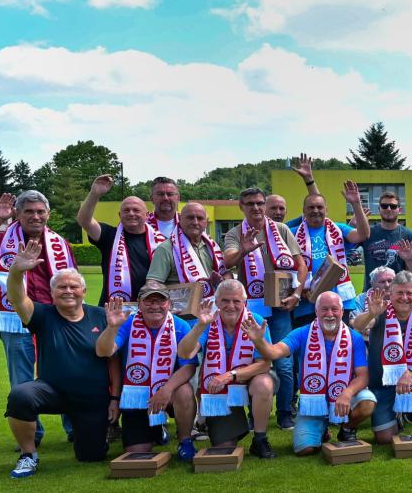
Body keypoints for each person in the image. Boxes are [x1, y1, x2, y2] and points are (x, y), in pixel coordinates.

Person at [0, 189, 77, 446]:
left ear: (48, 214)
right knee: (21, 380)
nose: (35, 216)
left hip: (55, 319)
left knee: (67, 373)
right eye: (29, 211)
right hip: (15, 319)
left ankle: (74, 428)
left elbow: (72, 281)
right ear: (17, 214)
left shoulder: (59, 243)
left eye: (40, 211)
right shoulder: (3, 238)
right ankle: (31, 435)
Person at [0, 240, 113, 477]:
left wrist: (115, 398)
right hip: (52, 391)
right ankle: (28, 455)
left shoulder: (102, 315)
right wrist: (17, 271)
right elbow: (17, 298)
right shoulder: (43, 314)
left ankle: (96, 434)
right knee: (21, 395)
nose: (68, 291)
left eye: (74, 286)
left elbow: (114, 360)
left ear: (84, 291)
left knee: (92, 456)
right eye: (61, 287)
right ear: (52, 293)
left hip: (91, 398)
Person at [223, 187, 308, 430]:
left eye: (260, 203)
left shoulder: (280, 229)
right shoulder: (234, 233)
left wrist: (297, 293)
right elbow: (227, 261)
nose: (256, 208)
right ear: (241, 206)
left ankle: (284, 414)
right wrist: (244, 249)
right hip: (250, 309)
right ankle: (254, 414)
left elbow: (300, 264)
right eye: (250, 203)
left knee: (284, 363)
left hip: (280, 308)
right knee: (250, 361)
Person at [248, 292, 375, 455]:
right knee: (304, 449)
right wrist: (259, 341)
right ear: (316, 312)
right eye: (324, 309)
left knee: (367, 402)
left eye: (334, 309)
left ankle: (347, 429)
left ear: (342, 311)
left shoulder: (354, 337)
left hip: (344, 398)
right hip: (314, 402)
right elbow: (274, 352)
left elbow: (363, 375)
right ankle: (322, 429)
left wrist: (347, 393)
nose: (330, 314)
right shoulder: (302, 333)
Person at [96, 282, 198, 457]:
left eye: (160, 301)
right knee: (136, 453)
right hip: (137, 393)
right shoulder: (127, 323)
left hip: (169, 392)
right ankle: (157, 431)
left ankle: (185, 441)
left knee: (185, 391)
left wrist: (166, 389)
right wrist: (112, 328)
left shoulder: (180, 326)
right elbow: (103, 351)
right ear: (139, 304)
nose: (155, 306)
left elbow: (188, 366)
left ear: (169, 304)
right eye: (149, 301)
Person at [177, 280, 277, 456]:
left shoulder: (256, 320)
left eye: (236, 301)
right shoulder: (208, 322)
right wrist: (199, 326)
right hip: (219, 387)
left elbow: (265, 364)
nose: (231, 306)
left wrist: (231, 375)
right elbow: (185, 353)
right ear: (216, 302)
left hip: (248, 378)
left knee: (264, 383)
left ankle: (260, 439)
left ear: (244, 302)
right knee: (224, 447)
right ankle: (233, 426)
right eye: (225, 301)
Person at [361, 270, 412, 444]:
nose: (404, 298)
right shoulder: (381, 311)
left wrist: (411, 372)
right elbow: (358, 325)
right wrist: (370, 314)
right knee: (385, 439)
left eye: (409, 293)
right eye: (399, 292)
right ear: (390, 294)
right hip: (382, 384)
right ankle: (398, 414)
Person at [290, 179, 370, 326]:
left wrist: (356, 204)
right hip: (306, 304)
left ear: (326, 210)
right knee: (309, 340)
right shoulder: (292, 233)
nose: (315, 210)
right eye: (311, 207)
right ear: (304, 211)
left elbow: (363, 235)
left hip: (339, 301)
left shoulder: (338, 229)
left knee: (340, 339)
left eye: (319, 207)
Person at [77, 175, 164, 304]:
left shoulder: (161, 241)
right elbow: (84, 221)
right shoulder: (108, 235)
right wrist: (94, 193)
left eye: (136, 210)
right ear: (120, 215)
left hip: (150, 307)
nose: (131, 213)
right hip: (114, 308)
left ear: (146, 215)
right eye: (126, 210)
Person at [145, 201, 225, 295]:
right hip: (179, 303)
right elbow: (153, 283)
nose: (195, 222)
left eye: (200, 218)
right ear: (180, 219)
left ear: (206, 222)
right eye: (190, 218)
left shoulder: (212, 246)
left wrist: (222, 280)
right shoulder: (166, 248)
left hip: (212, 301)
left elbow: (226, 273)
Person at [361, 188, 412, 281]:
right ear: (379, 209)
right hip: (372, 289)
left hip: (398, 288)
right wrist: (352, 224)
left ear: (399, 210)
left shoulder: (409, 235)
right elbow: (343, 245)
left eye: (393, 206)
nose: (388, 209)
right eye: (384, 206)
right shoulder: (367, 233)